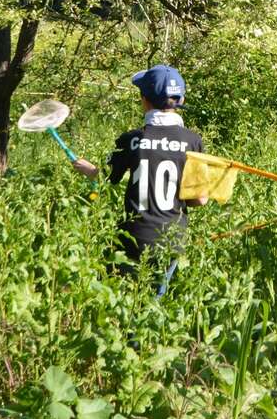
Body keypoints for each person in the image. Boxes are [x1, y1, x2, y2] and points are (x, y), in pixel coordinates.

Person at [73, 64, 207, 292]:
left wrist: (88, 169)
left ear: (144, 100)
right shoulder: (193, 142)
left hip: (134, 238)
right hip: (172, 239)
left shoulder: (131, 140)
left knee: (121, 298)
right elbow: (200, 200)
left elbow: (106, 179)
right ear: (181, 99)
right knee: (154, 302)